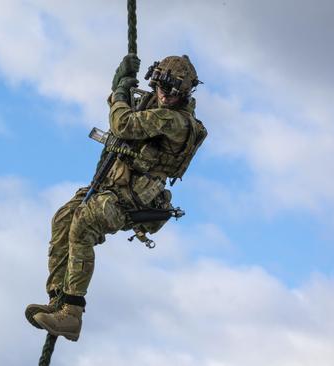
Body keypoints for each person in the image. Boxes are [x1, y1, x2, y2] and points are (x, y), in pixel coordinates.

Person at [25, 54, 207, 342]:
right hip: (111, 185)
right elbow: (121, 110)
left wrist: (121, 91)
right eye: (160, 86)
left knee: (84, 224)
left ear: (185, 93)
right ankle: (58, 299)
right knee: (63, 218)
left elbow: (122, 124)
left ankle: (72, 313)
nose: (164, 94)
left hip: (132, 200)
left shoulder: (175, 121)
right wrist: (119, 83)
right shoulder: (153, 104)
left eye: (173, 91)